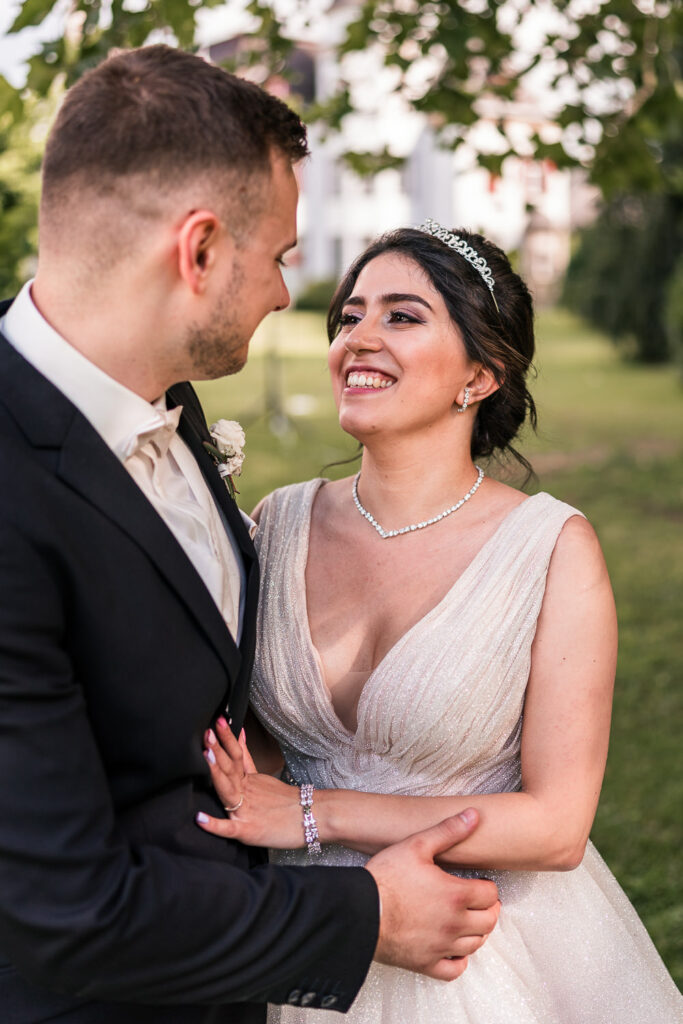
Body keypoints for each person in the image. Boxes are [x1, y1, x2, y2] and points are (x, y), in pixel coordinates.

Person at [0, 50, 504, 1024]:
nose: (287, 294)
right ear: (196, 251)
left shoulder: (169, 397)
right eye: (277, 256)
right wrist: (368, 914)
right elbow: (69, 909)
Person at [197, 224, 683, 1022]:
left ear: (481, 375)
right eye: (349, 316)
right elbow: (242, 731)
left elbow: (556, 826)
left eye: (401, 316)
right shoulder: (273, 525)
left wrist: (313, 814)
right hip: (303, 939)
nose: (357, 338)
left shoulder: (550, 549)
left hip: (478, 949)